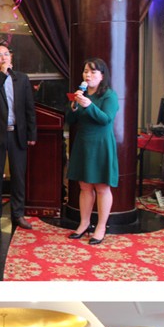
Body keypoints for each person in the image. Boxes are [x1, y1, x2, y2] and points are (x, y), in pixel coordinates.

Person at [0, 42, 36, 231]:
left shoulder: (22, 78)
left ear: (10, 56)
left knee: (18, 175)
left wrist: (31, 133)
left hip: (17, 133)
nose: (3, 58)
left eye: (6, 54)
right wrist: (2, 74)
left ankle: (18, 214)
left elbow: (29, 108)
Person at [66, 58, 119, 244]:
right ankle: (84, 223)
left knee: (102, 187)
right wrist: (74, 106)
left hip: (101, 144)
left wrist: (89, 105)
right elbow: (70, 121)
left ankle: (101, 227)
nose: (88, 75)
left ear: (102, 76)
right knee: (85, 186)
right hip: (83, 143)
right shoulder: (81, 93)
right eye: (85, 71)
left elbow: (105, 119)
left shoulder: (109, 95)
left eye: (93, 72)